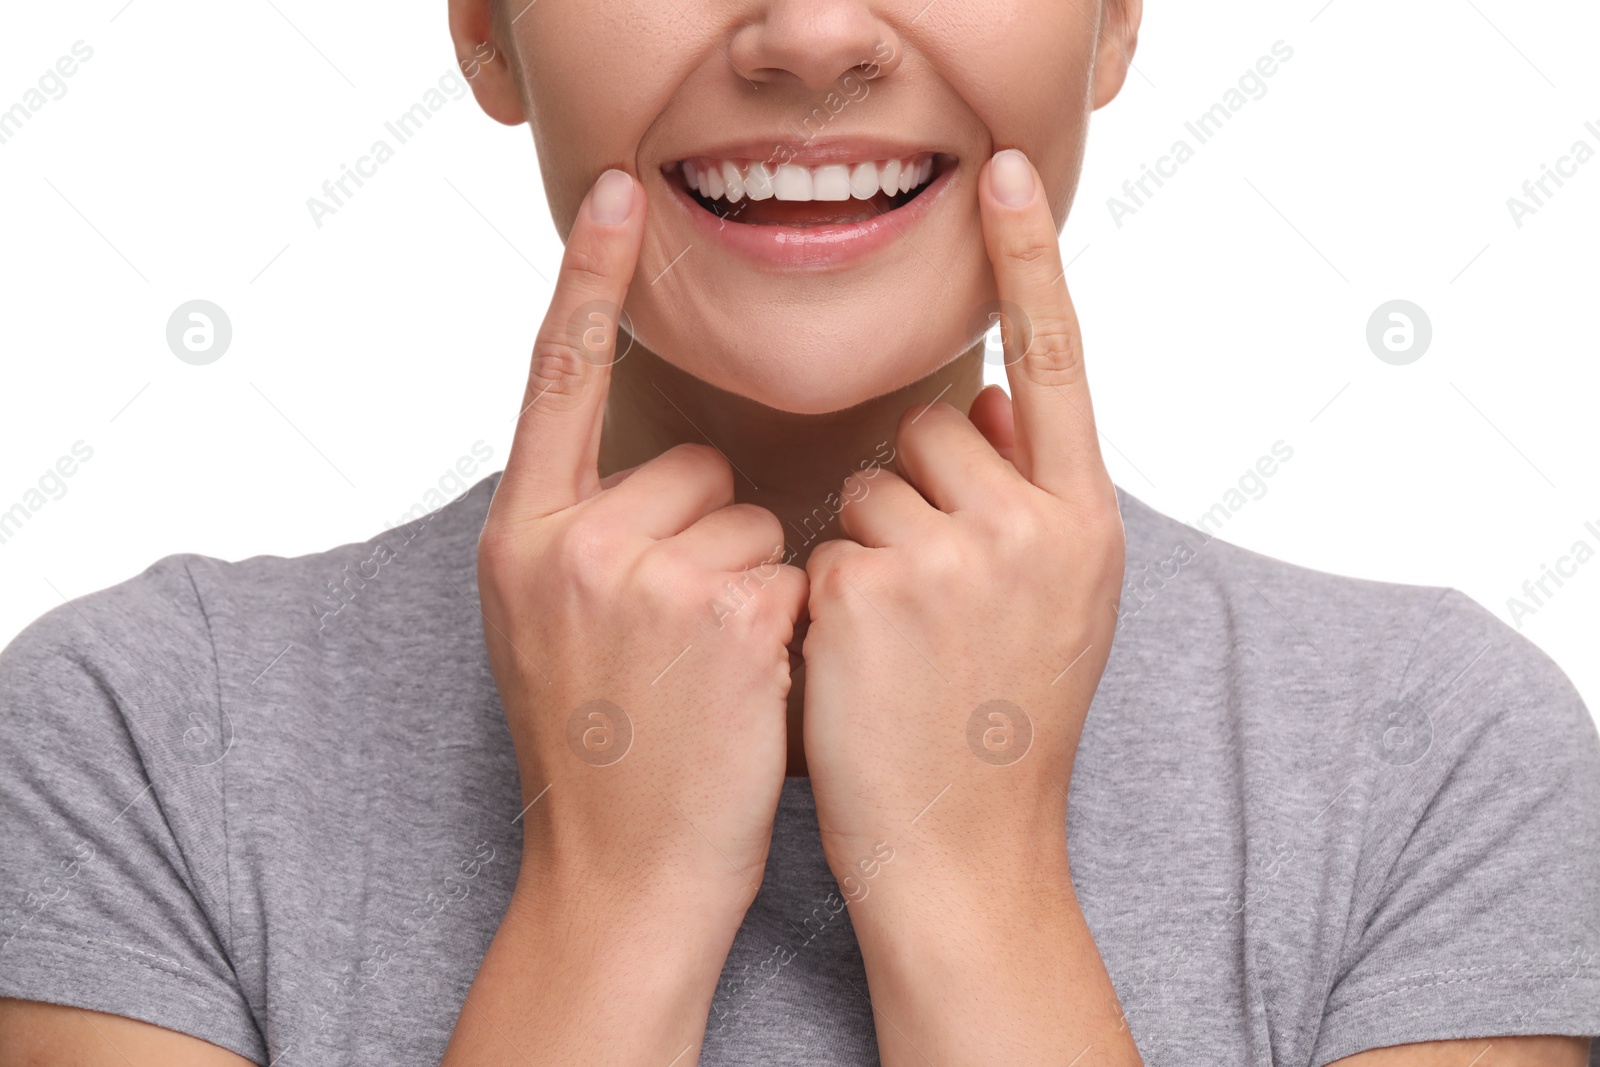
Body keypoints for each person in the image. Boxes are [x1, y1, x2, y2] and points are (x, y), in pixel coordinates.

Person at [2, 1, 1597, 1064]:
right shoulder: (142, 735)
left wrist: (973, 883)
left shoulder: (1439, 754)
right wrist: (610, 901)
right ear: (486, 28)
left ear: (1116, 14)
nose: (815, 34)